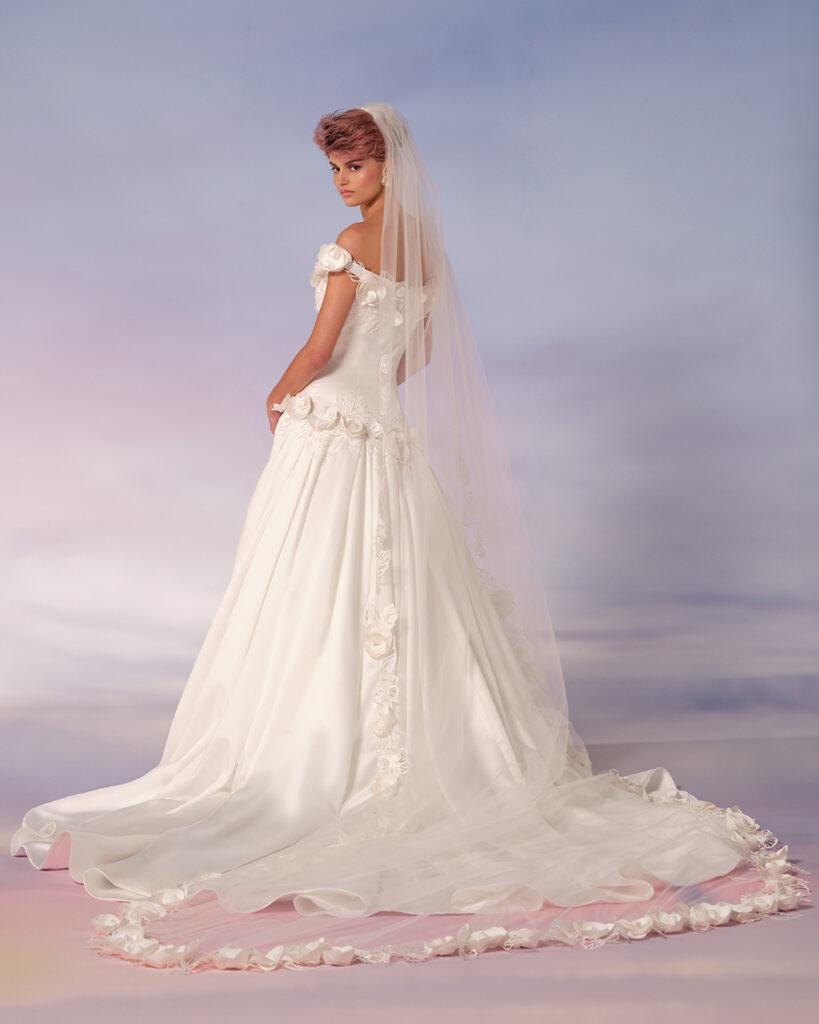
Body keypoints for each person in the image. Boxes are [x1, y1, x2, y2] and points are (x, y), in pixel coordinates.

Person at [10, 103, 809, 972]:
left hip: (329, 427)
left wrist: (277, 394)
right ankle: (390, 743)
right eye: (334, 169)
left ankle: (311, 750)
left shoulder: (352, 243)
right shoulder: (426, 252)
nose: (342, 182)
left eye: (352, 166)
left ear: (387, 163)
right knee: (391, 583)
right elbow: (420, 352)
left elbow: (320, 347)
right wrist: (373, 382)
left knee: (308, 584)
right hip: (382, 430)